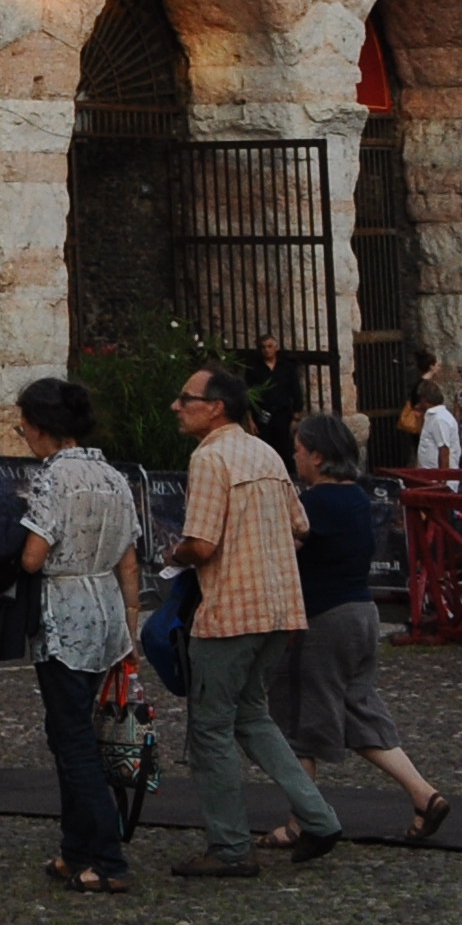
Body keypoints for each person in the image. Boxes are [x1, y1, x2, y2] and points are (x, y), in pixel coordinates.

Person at [0, 375, 144, 894]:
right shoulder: (113, 475)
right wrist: (130, 628)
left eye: (22, 430)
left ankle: (106, 858)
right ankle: (76, 848)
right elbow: (129, 561)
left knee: (74, 741)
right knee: (73, 733)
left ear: (40, 428)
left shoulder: (53, 478)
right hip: (107, 613)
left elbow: (32, 556)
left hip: (65, 615)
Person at [166, 361, 337, 877]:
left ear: (215, 408)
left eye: (185, 398)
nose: (177, 406)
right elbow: (299, 525)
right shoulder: (266, 452)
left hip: (231, 612)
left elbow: (202, 543)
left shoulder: (210, 459)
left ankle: (230, 848)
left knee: (211, 730)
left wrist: (171, 555)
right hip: (279, 607)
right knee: (254, 718)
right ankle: (320, 819)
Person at [282, 414, 449, 842]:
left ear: (318, 456)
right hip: (361, 612)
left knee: (305, 715)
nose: (295, 456)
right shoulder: (356, 497)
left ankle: (305, 819)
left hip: (325, 617)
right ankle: (423, 794)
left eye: (300, 449)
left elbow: (284, 548)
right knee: (359, 709)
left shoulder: (315, 504)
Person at [407, 357, 462, 476]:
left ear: (426, 400)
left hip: (436, 476)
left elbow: (444, 450)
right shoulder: (433, 417)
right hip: (430, 474)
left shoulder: (439, 419)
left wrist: (442, 479)